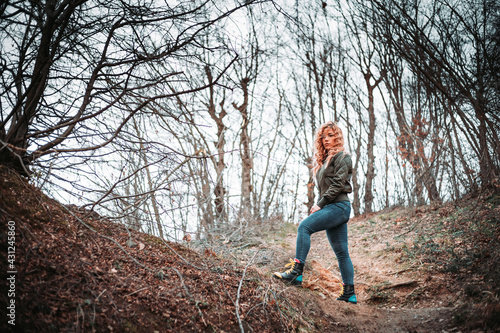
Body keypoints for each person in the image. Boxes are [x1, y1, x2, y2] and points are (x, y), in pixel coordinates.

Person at [273, 121, 357, 304]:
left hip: (339, 207)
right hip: (332, 207)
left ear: (338, 137)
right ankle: (349, 293)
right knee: (342, 253)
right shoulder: (324, 161)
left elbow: (337, 185)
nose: (326, 139)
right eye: (324, 136)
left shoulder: (343, 157)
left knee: (304, 227)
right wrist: (322, 204)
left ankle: (296, 273)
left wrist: (320, 204)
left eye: (331, 135)